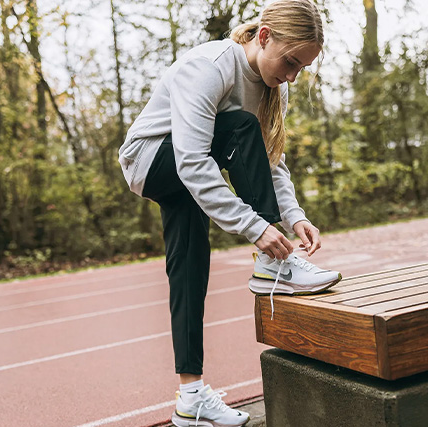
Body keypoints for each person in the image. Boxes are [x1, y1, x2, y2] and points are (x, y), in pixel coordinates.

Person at [118, 0, 341, 425]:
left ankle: (191, 399)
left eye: (301, 68)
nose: (292, 75)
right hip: (151, 161)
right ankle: (273, 265)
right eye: (290, 61)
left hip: (187, 168)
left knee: (189, 272)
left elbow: (269, 161)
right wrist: (259, 232)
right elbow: (193, 162)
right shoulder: (210, 66)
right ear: (264, 36)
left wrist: (294, 218)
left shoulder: (274, 86)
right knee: (240, 125)